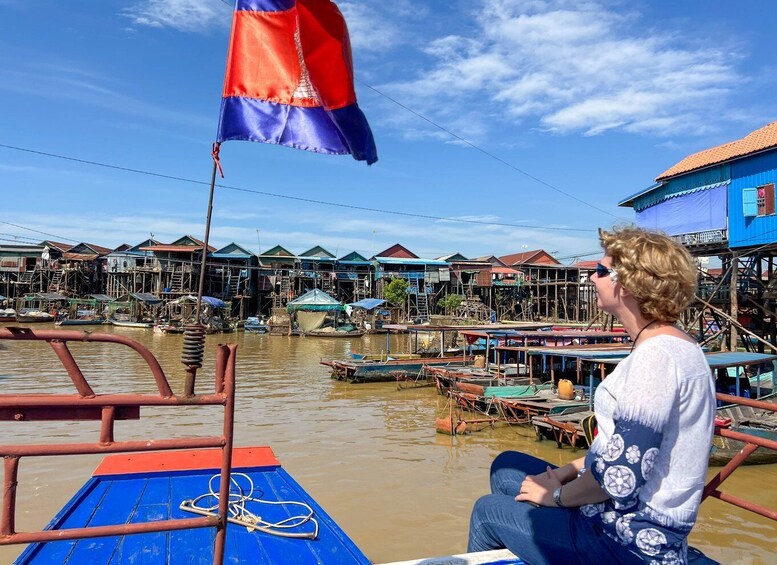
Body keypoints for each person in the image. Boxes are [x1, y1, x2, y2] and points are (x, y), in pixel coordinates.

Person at [467, 226, 716, 564]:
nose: (592, 278)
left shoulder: (655, 360)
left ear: (626, 284)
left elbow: (621, 476)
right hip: (617, 516)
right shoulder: (675, 346)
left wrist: (554, 496)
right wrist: (566, 473)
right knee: (507, 469)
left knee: (487, 512)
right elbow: (628, 446)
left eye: (600, 271)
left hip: (625, 540)